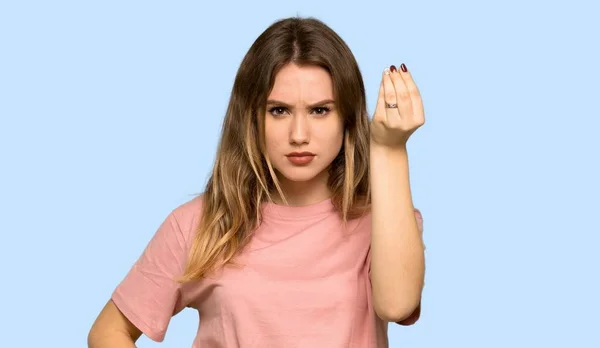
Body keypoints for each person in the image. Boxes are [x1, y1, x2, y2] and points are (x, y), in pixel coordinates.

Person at [88, 15, 426, 348]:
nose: (299, 135)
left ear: (347, 118)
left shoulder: (382, 220)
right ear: (252, 116)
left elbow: (397, 305)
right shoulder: (199, 223)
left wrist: (389, 148)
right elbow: (107, 332)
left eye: (320, 110)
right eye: (278, 110)